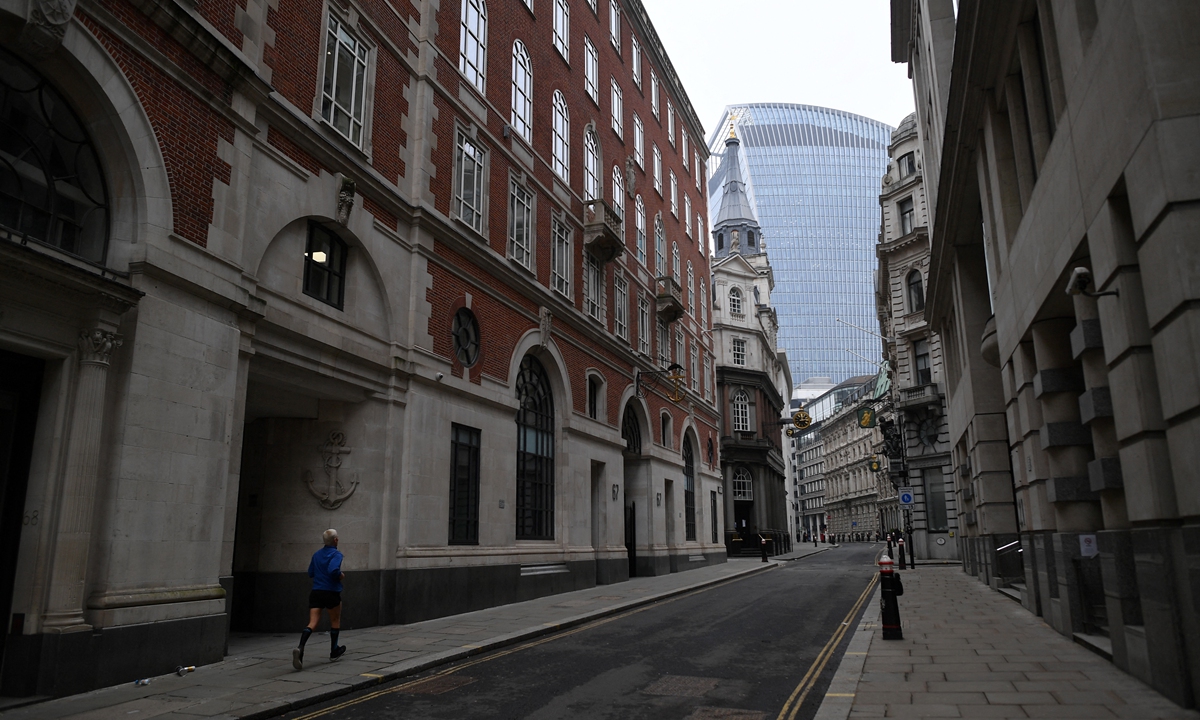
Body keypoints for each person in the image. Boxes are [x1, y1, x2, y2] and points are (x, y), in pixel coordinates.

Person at [293, 528, 347, 670]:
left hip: (316, 591)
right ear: (335, 540)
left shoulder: (316, 555)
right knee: (335, 620)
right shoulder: (336, 554)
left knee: (312, 622)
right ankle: (334, 650)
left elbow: (311, 572)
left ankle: (301, 647)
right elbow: (333, 570)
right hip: (331, 592)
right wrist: (340, 575)